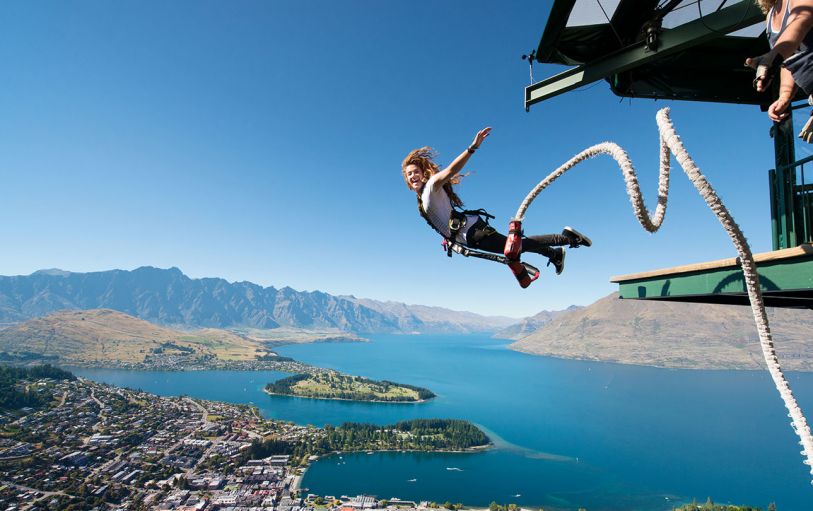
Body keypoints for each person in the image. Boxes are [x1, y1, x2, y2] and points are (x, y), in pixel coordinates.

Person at [401, 127, 591, 275]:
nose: (413, 176)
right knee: (516, 247)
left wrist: (472, 148)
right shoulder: (422, 199)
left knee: (515, 248)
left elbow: (451, 170)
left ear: (423, 174)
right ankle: (554, 253)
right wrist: (447, 237)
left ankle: (567, 238)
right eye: (409, 174)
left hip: (473, 232)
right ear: (406, 179)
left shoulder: (432, 186)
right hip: (468, 233)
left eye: (416, 172)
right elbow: (441, 217)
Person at [745, 0, 813, 140]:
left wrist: (772, 57)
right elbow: (787, 60)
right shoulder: (770, 17)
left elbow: (802, 20)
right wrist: (784, 96)